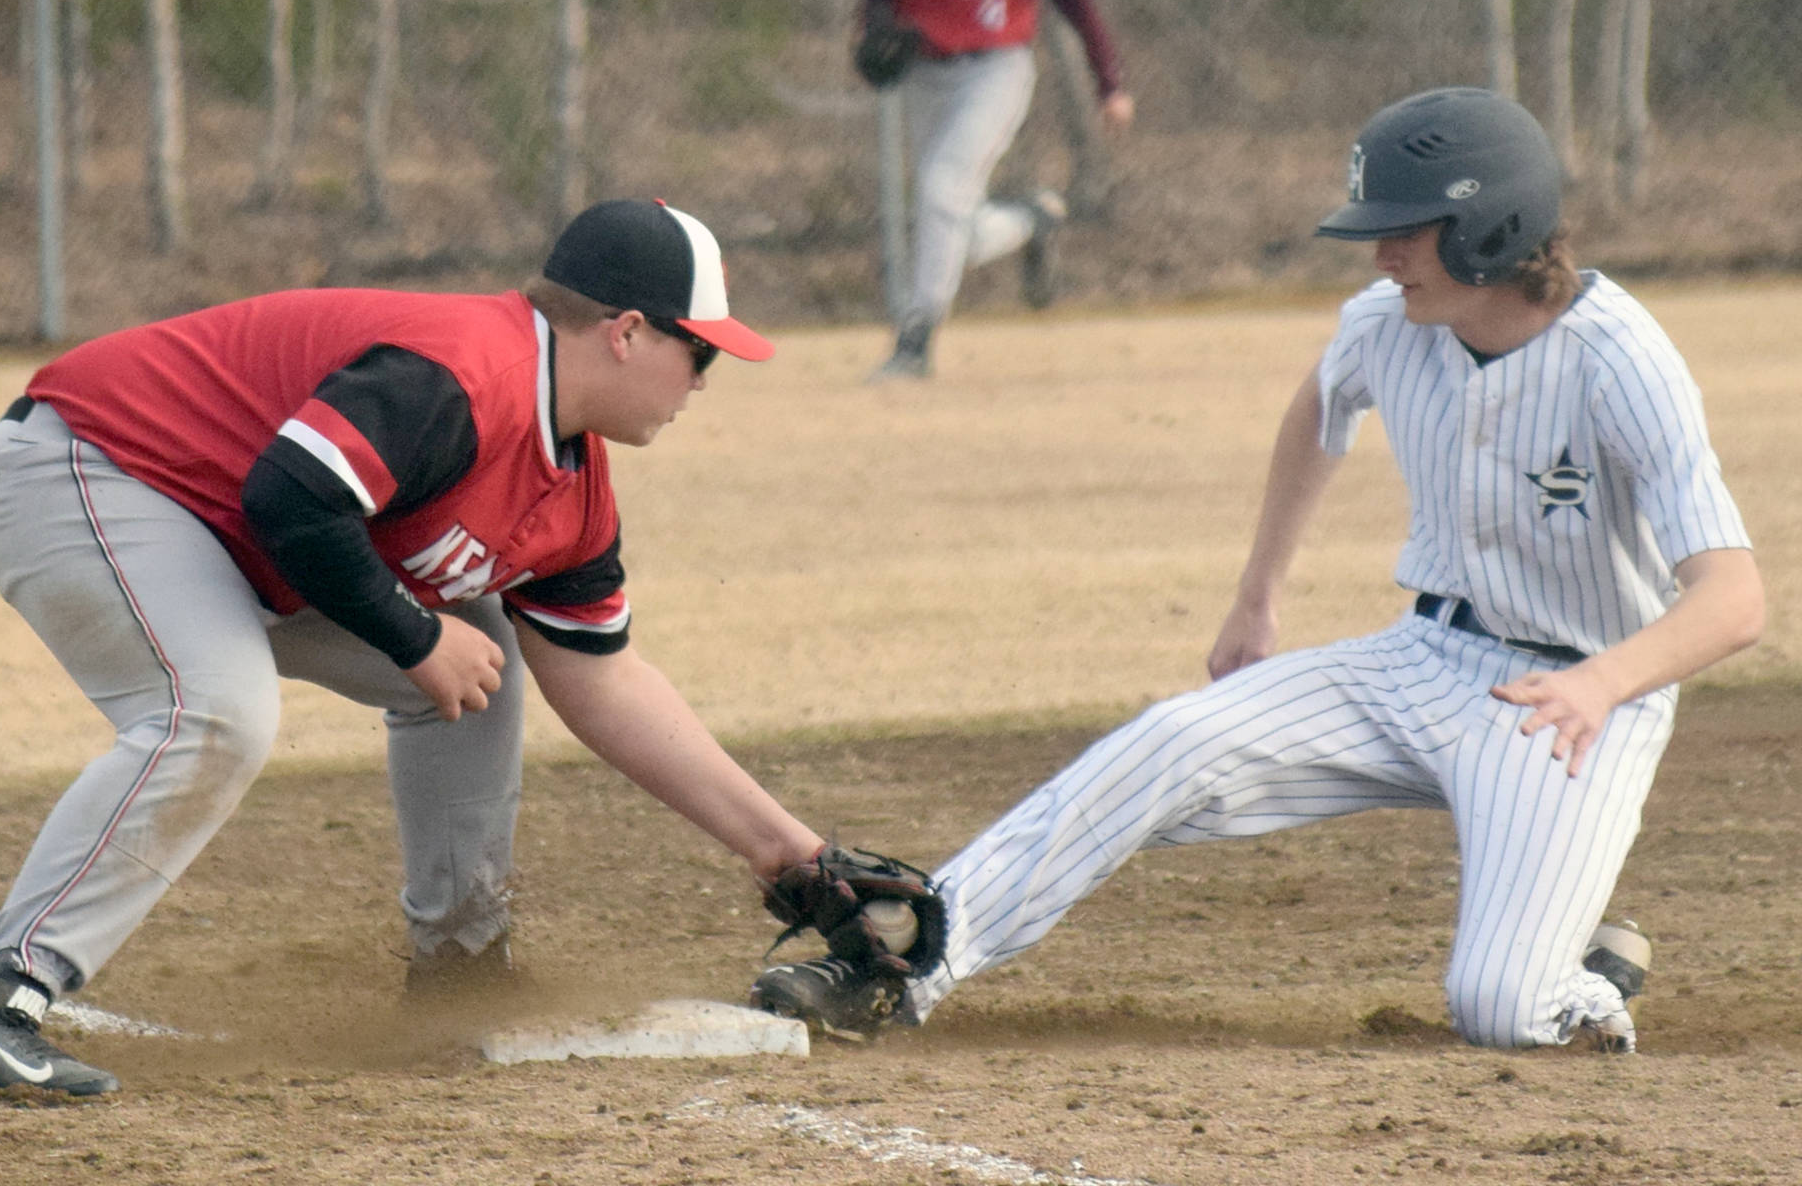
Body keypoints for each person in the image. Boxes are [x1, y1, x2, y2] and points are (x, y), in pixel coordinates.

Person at [753, 88, 1763, 1051]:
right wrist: (1256, 595)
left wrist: (1599, 682)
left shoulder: (1617, 360)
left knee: (1499, 1005)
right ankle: (901, 968)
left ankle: (1579, 981)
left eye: (1405, 230)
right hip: (1421, 662)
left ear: (1487, 229)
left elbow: (1731, 599)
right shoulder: (1385, 323)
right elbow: (1315, 414)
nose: (1382, 252)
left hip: (1572, 705)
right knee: (1164, 745)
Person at [0, 198, 833, 1098]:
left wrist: (791, 855)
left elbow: (603, 682)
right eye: (698, 349)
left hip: (221, 530)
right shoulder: (469, 372)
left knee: (481, 661)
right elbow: (292, 498)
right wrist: (416, 635)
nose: (705, 379)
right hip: (94, 467)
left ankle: (460, 971)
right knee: (217, 713)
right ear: (626, 332)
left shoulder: (573, 482)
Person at [858, 0, 1136, 381]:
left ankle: (916, 338)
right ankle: (1032, 221)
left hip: (996, 71)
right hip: (925, 77)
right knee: (948, 215)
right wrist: (874, 26)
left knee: (938, 192)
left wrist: (1108, 83)